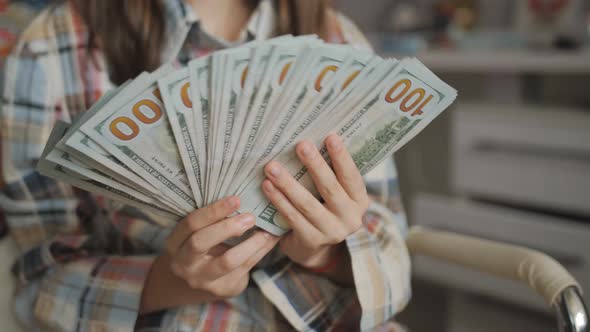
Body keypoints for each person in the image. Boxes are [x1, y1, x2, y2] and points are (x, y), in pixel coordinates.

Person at [0, 0, 411, 330]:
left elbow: (389, 241)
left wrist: (323, 253)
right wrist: (169, 282)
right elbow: (37, 282)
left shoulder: (339, 39)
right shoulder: (51, 49)